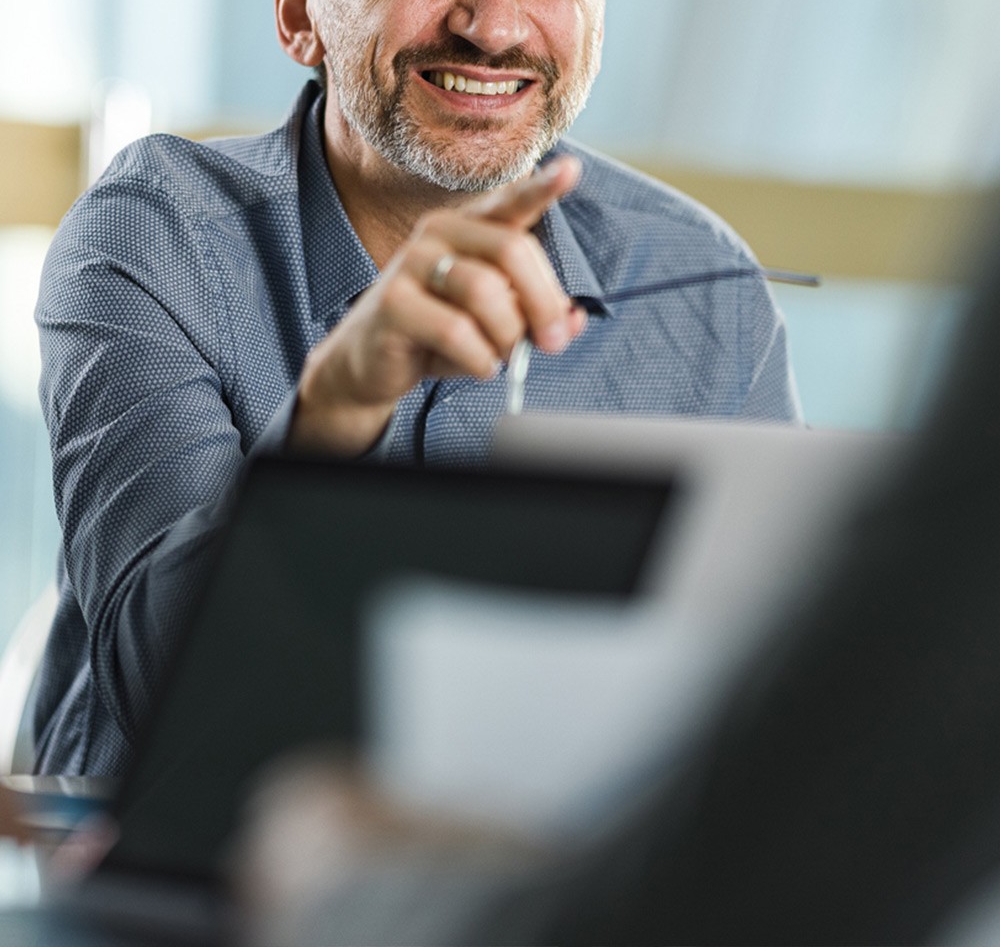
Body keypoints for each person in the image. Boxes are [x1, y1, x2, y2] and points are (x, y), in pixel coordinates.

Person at [32, 0, 799, 777]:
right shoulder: (155, 238)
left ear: (597, 16)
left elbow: (763, 701)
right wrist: (333, 416)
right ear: (298, 7)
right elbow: (163, 685)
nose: (490, 22)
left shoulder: (702, 286)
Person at [239, 220, 1000, 947]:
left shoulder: (710, 284)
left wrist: (364, 895)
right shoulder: (172, 230)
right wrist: (330, 416)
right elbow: (137, 663)